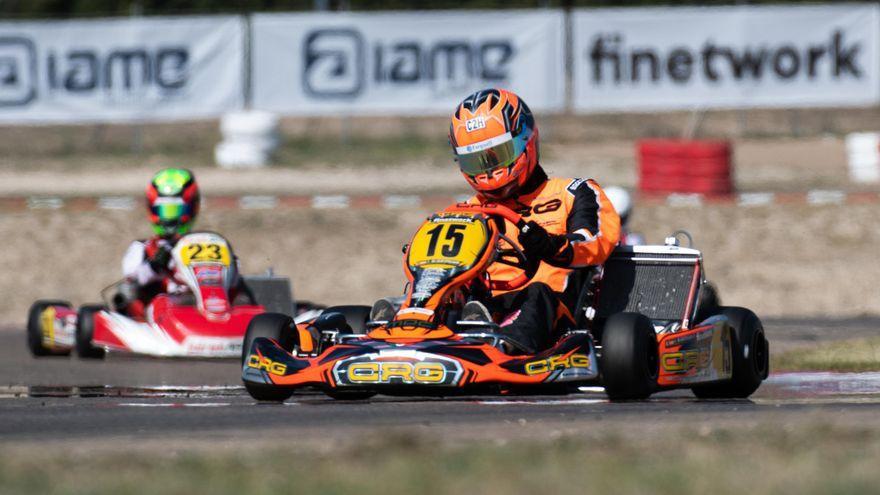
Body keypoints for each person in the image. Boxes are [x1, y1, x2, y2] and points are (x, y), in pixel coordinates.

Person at [448, 88, 621, 353]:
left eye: (498, 155)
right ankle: (405, 331)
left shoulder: (572, 193)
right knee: (447, 296)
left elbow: (597, 242)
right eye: (476, 160)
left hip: (554, 315)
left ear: (525, 141)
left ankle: (502, 348)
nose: (487, 169)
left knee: (537, 293)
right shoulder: (468, 211)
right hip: (485, 306)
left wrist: (552, 246)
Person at [116, 168, 200, 317]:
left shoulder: (201, 245)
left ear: (191, 208)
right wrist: (154, 266)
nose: (169, 218)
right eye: (165, 211)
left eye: (175, 210)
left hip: (196, 307)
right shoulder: (142, 248)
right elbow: (131, 283)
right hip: (158, 315)